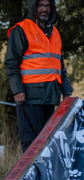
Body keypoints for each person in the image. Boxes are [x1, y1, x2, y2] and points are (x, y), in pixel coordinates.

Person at [4, 0, 73, 152]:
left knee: (47, 143)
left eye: (47, 6)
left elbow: (59, 63)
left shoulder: (55, 32)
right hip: (29, 96)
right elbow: (11, 62)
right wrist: (17, 90)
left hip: (51, 95)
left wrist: (66, 88)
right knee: (31, 143)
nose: (44, 9)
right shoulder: (21, 29)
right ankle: (31, 169)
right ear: (33, 7)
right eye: (40, 5)